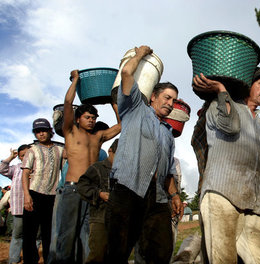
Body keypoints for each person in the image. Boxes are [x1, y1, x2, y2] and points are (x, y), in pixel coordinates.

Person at [192, 68, 260, 264]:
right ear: (247, 85)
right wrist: (221, 90)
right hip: (222, 196)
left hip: (258, 205)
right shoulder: (218, 105)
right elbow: (230, 127)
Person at [105, 45, 181, 264]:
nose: (170, 104)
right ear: (153, 97)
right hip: (128, 189)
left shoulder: (168, 133)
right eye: (167, 98)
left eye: (173, 101)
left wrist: (174, 195)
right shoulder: (135, 108)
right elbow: (127, 74)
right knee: (117, 252)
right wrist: (140, 55)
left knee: (160, 251)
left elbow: (166, 172)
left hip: (156, 197)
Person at [49, 70, 121, 264]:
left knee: (88, 235)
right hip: (73, 189)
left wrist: (112, 101)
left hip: (92, 191)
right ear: (78, 118)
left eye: (94, 118)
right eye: (88, 117)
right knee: (66, 236)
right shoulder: (70, 132)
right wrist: (75, 80)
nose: (91, 120)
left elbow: (121, 125)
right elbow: (67, 104)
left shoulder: (98, 137)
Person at [22, 118, 64, 264]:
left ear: (50, 131)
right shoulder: (32, 150)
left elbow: (64, 171)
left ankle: (49, 260)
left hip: (52, 196)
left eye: (43, 130)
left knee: (49, 233)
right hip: (34, 193)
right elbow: (25, 173)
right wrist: (26, 195)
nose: (41, 134)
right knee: (29, 233)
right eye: (37, 131)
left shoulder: (60, 150)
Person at [76, 139, 118, 264]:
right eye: (119, 155)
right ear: (110, 151)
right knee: (97, 255)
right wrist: (99, 194)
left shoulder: (126, 172)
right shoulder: (97, 168)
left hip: (119, 220)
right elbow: (82, 186)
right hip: (100, 218)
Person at [0, 145, 31, 264]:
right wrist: (10, 157)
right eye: (22, 155)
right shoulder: (16, 168)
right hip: (19, 207)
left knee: (35, 235)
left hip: (35, 207)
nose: (26, 157)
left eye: (28, 154)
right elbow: (2, 169)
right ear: (19, 157)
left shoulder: (37, 167)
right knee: (17, 234)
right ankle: (13, 259)